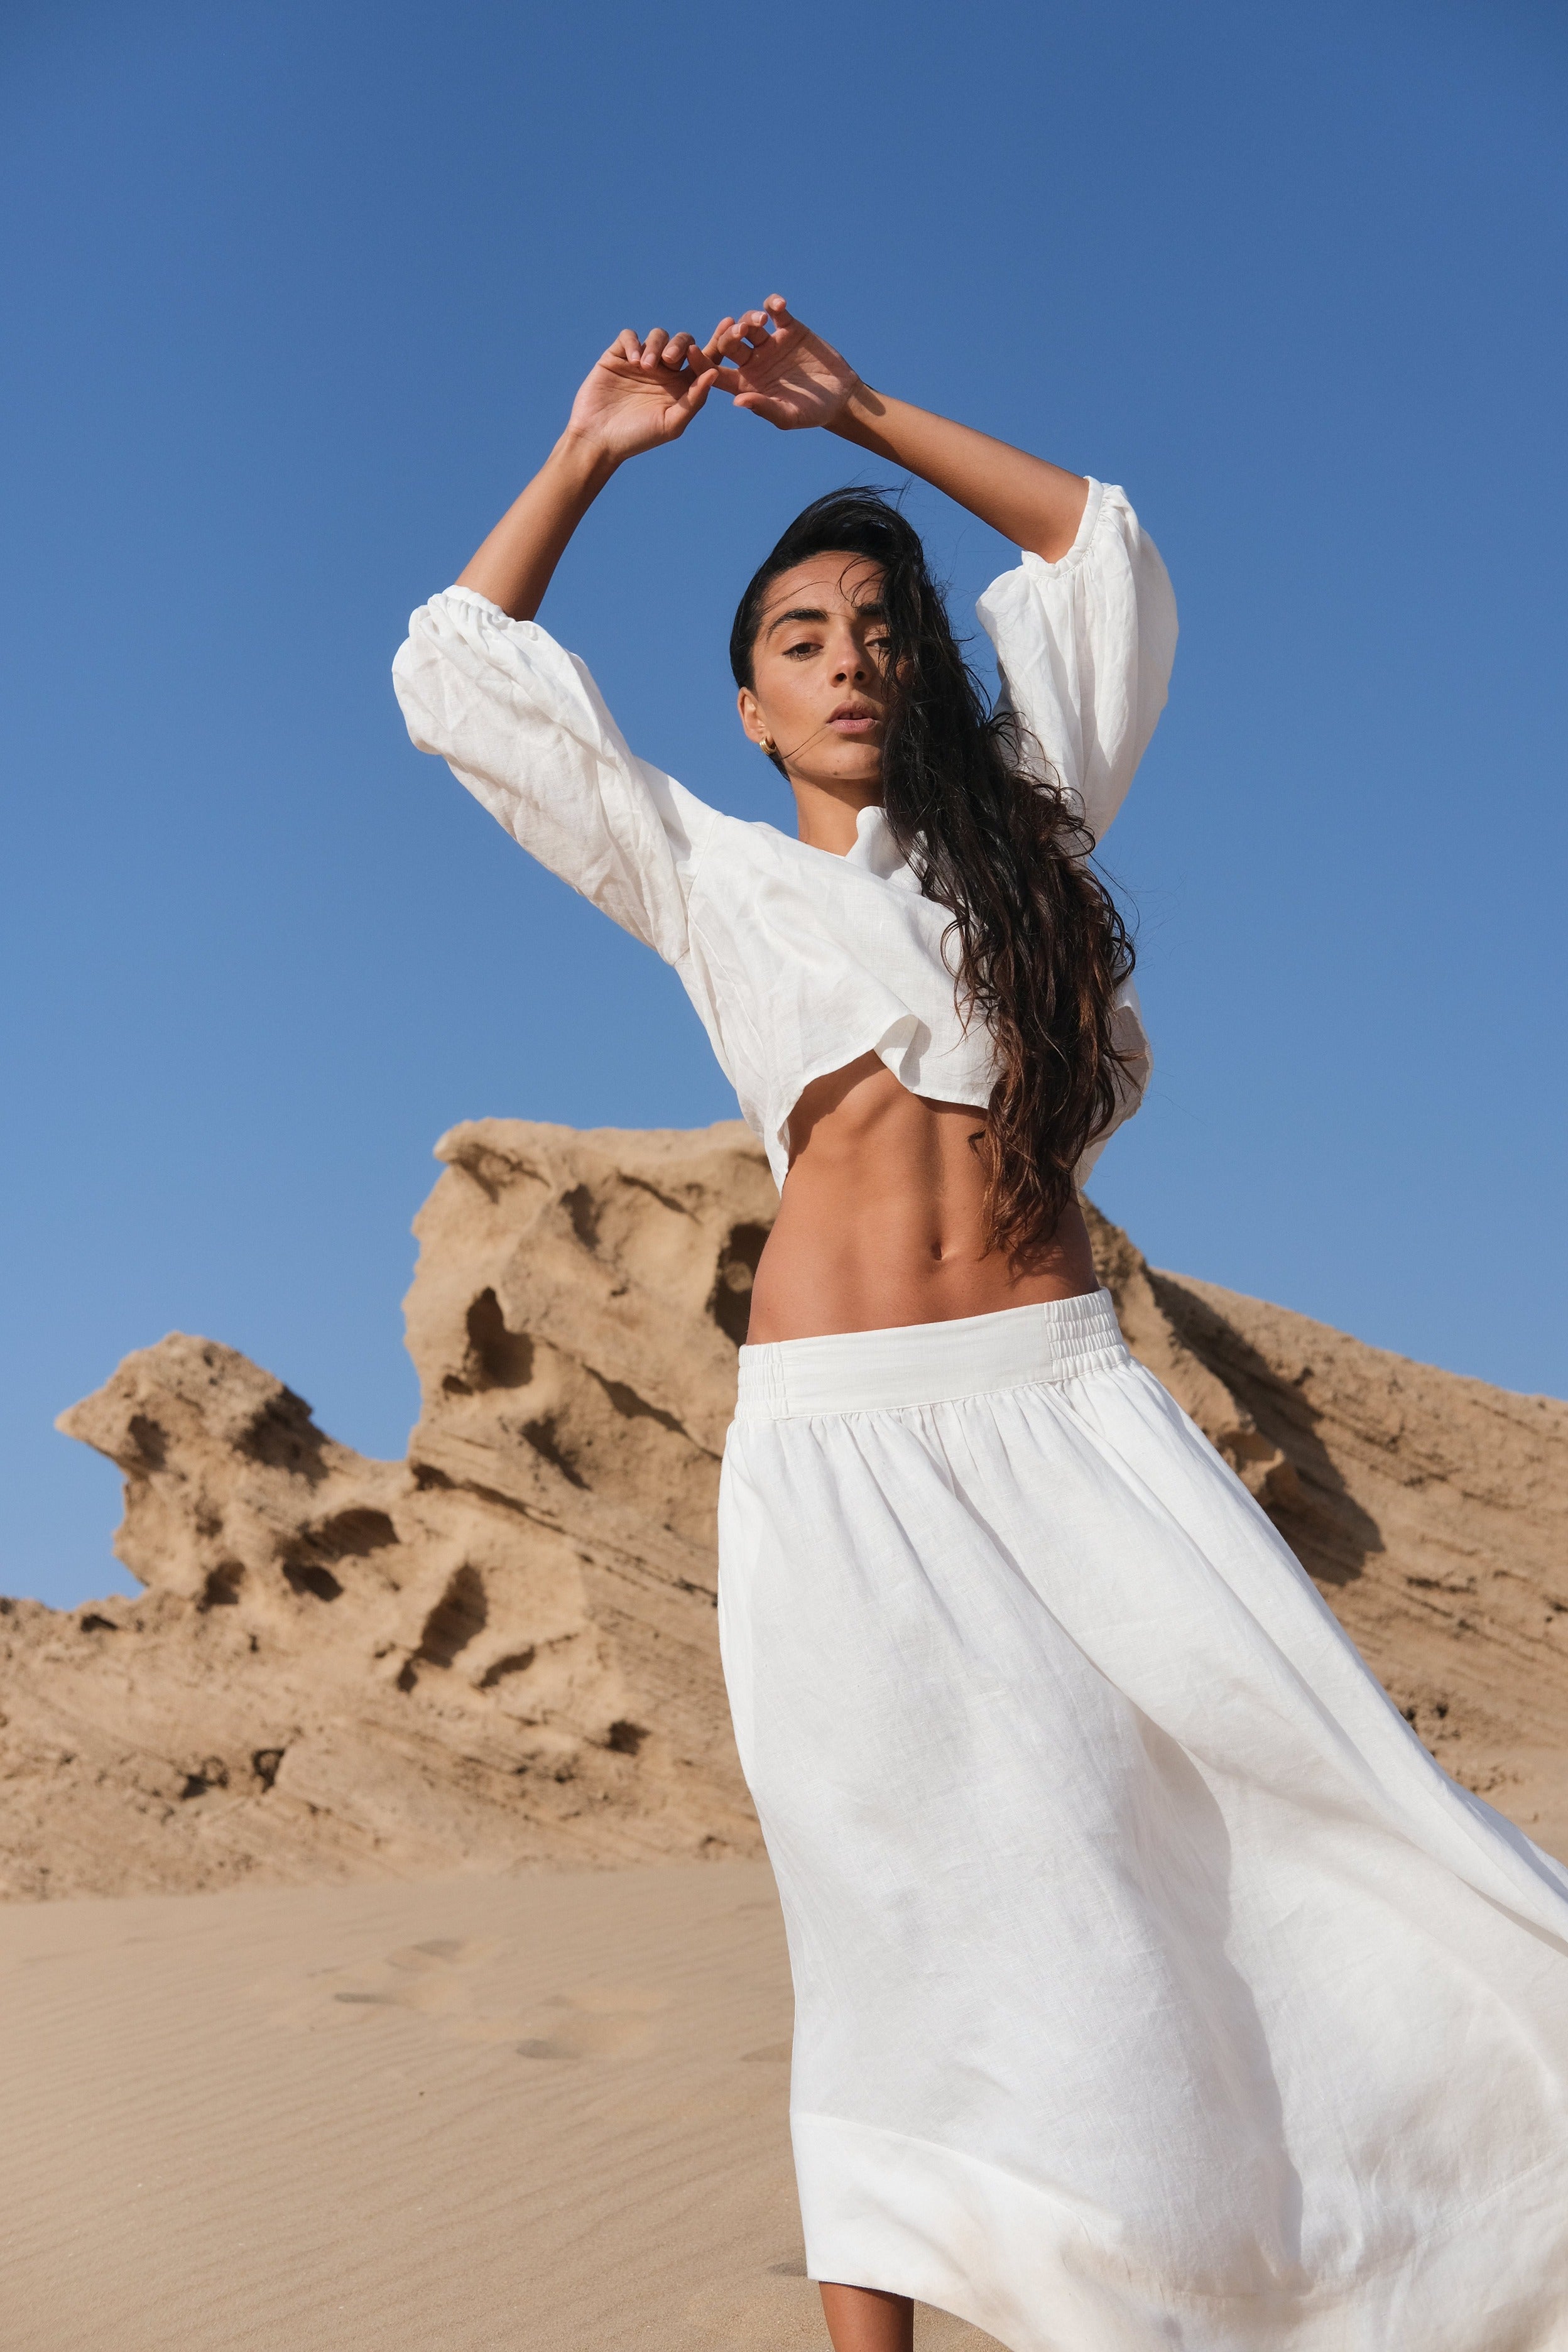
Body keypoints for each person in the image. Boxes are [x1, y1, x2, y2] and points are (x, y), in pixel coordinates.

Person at [393, 300, 1568, 2352]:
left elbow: (1099, 545)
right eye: (801, 641)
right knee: (892, 1921)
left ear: (925, 674)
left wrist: (857, 413)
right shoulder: (704, 876)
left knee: (1320, 1808)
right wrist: (587, 453)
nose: (850, 660)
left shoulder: (1024, 842)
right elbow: (458, 673)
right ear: (751, 711)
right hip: (837, 1460)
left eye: (880, 631)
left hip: (1070, 1417)